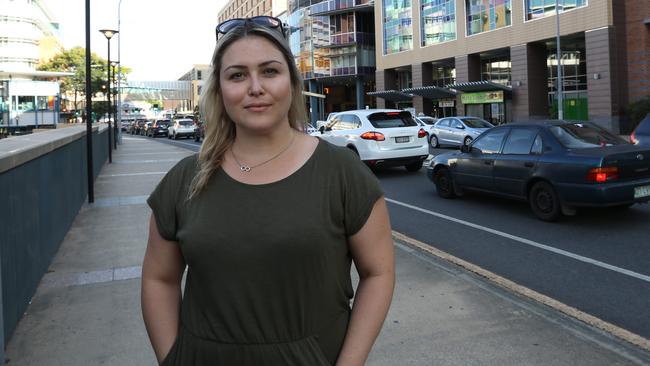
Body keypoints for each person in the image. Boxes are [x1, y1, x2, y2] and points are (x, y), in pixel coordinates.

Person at [141, 16, 395, 366]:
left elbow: (378, 273)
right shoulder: (185, 179)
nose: (255, 87)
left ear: (291, 81)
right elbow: (159, 278)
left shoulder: (341, 172)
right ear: (219, 89)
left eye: (270, 71)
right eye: (237, 75)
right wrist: (173, 359)